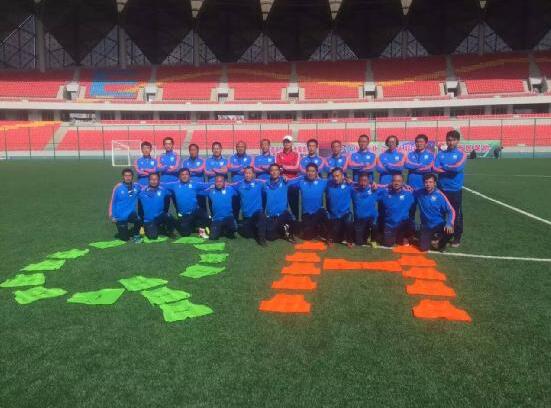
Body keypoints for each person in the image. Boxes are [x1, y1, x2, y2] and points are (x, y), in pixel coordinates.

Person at [433, 130, 465, 247]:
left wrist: (444, 167)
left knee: (456, 213)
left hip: (455, 189)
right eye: (449, 140)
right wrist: (449, 168)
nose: (451, 142)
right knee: (441, 212)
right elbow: (434, 168)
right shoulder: (440, 154)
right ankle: (442, 235)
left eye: (453, 140)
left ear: (457, 141)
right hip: (441, 189)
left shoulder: (461, 154)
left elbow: (457, 168)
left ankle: (457, 237)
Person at [414, 173, 455, 252]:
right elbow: (409, 191)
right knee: (423, 248)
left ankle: (440, 244)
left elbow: (451, 210)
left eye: (430, 182)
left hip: (438, 224)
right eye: (426, 182)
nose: (428, 184)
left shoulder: (440, 195)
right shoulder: (419, 193)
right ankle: (431, 238)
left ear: (435, 183)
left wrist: (449, 223)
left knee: (451, 229)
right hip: (426, 226)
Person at [168, 168, 210, 237]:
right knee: (185, 233)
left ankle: (202, 231)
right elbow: (162, 185)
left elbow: (207, 185)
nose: (184, 176)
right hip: (184, 215)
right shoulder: (174, 185)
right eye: (182, 175)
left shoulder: (194, 184)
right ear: (179, 176)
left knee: (205, 216)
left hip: (195, 212)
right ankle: (173, 220)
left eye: (186, 174)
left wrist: (223, 183)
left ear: (189, 176)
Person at [378, 174, 415, 247]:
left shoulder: (408, 194)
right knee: (388, 244)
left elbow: (421, 192)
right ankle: (384, 235)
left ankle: (407, 237)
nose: (396, 183)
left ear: (402, 183)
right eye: (394, 181)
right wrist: (386, 186)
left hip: (402, 226)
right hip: (389, 225)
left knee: (404, 242)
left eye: (399, 181)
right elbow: (374, 191)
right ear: (391, 182)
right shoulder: (385, 193)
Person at [263, 163, 297, 242]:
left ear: (279, 172)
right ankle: (282, 228)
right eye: (272, 170)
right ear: (269, 172)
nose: (274, 172)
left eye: (276, 170)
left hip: (283, 214)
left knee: (295, 226)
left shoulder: (285, 182)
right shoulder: (265, 184)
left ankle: (286, 227)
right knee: (270, 237)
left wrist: (317, 177)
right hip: (271, 215)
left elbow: (299, 179)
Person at [234, 167, 267, 246]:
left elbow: (271, 183)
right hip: (247, 217)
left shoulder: (259, 184)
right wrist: (214, 186)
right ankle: (242, 226)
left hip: (257, 214)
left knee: (261, 215)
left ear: (253, 174)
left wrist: (283, 178)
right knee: (248, 235)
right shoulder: (239, 185)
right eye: (246, 173)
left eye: (249, 173)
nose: (247, 175)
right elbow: (228, 185)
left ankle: (262, 240)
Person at [296, 163, 328, 241]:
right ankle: (313, 228)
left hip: (318, 213)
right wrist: (283, 178)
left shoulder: (323, 182)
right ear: (306, 172)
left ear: (317, 172)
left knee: (326, 230)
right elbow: (288, 182)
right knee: (307, 237)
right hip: (306, 214)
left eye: (313, 171)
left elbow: (336, 181)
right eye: (308, 171)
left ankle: (319, 227)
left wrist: (347, 180)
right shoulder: (301, 182)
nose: (310, 173)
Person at [109, 168, 142, 242]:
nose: (128, 177)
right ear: (123, 177)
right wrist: (113, 216)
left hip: (131, 214)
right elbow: (114, 202)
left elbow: (145, 189)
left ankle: (136, 234)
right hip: (120, 216)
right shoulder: (118, 188)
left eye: (129, 175)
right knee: (125, 239)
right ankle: (124, 230)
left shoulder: (136, 187)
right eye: (126, 176)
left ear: (132, 177)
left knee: (139, 219)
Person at [138, 172, 174, 240]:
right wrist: (141, 225)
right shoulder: (142, 192)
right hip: (148, 220)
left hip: (159, 217)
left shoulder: (163, 190)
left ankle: (169, 231)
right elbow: (140, 210)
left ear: (159, 180)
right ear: (148, 180)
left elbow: (169, 198)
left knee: (169, 216)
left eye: (156, 179)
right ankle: (153, 227)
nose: (154, 181)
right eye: (152, 179)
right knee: (153, 237)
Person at [204, 174, 238, 240]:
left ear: (224, 182)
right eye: (217, 181)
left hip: (228, 217)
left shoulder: (230, 189)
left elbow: (238, 189)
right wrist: (209, 187)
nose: (219, 183)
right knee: (213, 237)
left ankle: (227, 230)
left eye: (221, 181)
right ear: (214, 182)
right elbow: (200, 192)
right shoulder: (210, 191)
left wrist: (229, 184)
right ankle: (220, 229)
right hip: (217, 219)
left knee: (234, 228)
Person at [326, 167, 353, 246]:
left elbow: (362, 183)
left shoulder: (349, 185)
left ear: (342, 176)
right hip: (333, 215)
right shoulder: (328, 184)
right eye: (334, 176)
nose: (335, 178)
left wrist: (372, 183)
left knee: (349, 222)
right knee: (337, 238)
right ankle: (331, 237)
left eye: (337, 176)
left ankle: (349, 240)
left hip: (345, 214)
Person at [351, 172, 379, 246]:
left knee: (375, 225)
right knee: (359, 243)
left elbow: (388, 187)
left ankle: (373, 239)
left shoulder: (374, 190)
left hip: (371, 219)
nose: (363, 183)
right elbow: (346, 183)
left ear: (369, 181)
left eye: (365, 181)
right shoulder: (354, 191)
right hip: (359, 220)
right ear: (358, 181)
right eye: (361, 181)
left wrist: (374, 183)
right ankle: (365, 234)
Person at [276, 135, 300, 219]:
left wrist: (284, 166)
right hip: (282, 181)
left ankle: (296, 221)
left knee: (294, 204)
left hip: (294, 182)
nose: (286, 143)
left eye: (288, 142)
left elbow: (297, 168)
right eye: (285, 142)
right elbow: (277, 168)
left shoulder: (296, 154)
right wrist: (283, 174)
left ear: (291, 143)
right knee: (282, 204)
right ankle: (283, 222)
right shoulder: (278, 154)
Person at [229, 140, 252, 219]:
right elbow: (230, 168)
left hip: (246, 186)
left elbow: (249, 169)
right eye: (238, 147)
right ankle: (235, 223)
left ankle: (247, 221)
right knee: (235, 206)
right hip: (235, 186)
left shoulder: (249, 158)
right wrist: (241, 167)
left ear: (245, 148)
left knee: (246, 205)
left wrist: (236, 168)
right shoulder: (232, 158)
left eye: (242, 147)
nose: (240, 148)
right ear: (236, 148)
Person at [181, 143, 207, 210]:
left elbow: (200, 170)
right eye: (191, 150)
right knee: (190, 207)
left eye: (194, 150)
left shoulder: (202, 160)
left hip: (200, 188)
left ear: (198, 151)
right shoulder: (185, 161)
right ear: (189, 151)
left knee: (202, 208)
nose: (193, 152)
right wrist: (195, 170)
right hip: (188, 188)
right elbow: (183, 173)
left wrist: (190, 170)